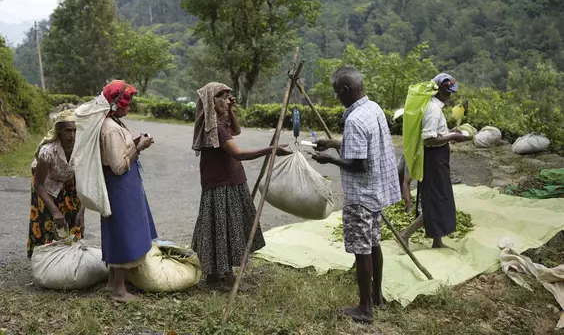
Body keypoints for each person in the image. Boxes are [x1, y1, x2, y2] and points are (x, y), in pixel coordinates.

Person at [312, 67, 400, 324]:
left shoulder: (354, 120)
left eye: (337, 92)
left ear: (347, 90)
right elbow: (365, 147)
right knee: (373, 244)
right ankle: (377, 296)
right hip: (376, 192)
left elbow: (358, 163)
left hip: (360, 195)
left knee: (362, 252)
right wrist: (334, 144)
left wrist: (330, 159)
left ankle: (365, 309)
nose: (337, 97)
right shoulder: (373, 109)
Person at [191, 82, 291, 290]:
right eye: (223, 97)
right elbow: (238, 153)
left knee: (222, 227)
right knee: (224, 228)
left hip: (227, 181)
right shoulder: (215, 127)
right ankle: (224, 278)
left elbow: (236, 130)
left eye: (229, 97)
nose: (227, 100)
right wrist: (270, 149)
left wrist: (231, 110)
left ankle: (217, 275)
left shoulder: (218, 122)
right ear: (212, 101)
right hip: (222, 184)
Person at [100, 79, 157, 303]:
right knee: (123, 232)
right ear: (116, 103)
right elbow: (119, 166)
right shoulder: (111, 129)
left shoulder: (113, 122)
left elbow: (118, 154)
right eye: (127, 103)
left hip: (123, 186)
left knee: (121, 230)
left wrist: (133, 142)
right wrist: (139, 147)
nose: (129, 107)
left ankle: (113, 283)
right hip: (119, 186)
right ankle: (119, 290)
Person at [398, 73, 469, 249]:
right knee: (435, 202)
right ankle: (405, 234)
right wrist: (452, 136)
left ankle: (437, 241)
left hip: (438, 158)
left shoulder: (434, 107)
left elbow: (436, 133)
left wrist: (449, 132)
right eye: (448, 92)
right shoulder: (433, 109)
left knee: (439, 200)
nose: (450, 96)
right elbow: (428, 139)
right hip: (433, 159)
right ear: (439, 91)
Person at [27, 109, 83, 259]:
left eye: (75, 131)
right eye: (67, 131)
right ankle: (46, 258)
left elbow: (87, 182)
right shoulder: (48, 152)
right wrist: (55, 211)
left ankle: (70, 257)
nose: (72, 136)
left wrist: (82, 211)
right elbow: (38, 184)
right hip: (45, 180)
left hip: (69, 179)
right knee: (48, 220)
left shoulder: (81, 149)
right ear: (58, 130)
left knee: (74, 217)